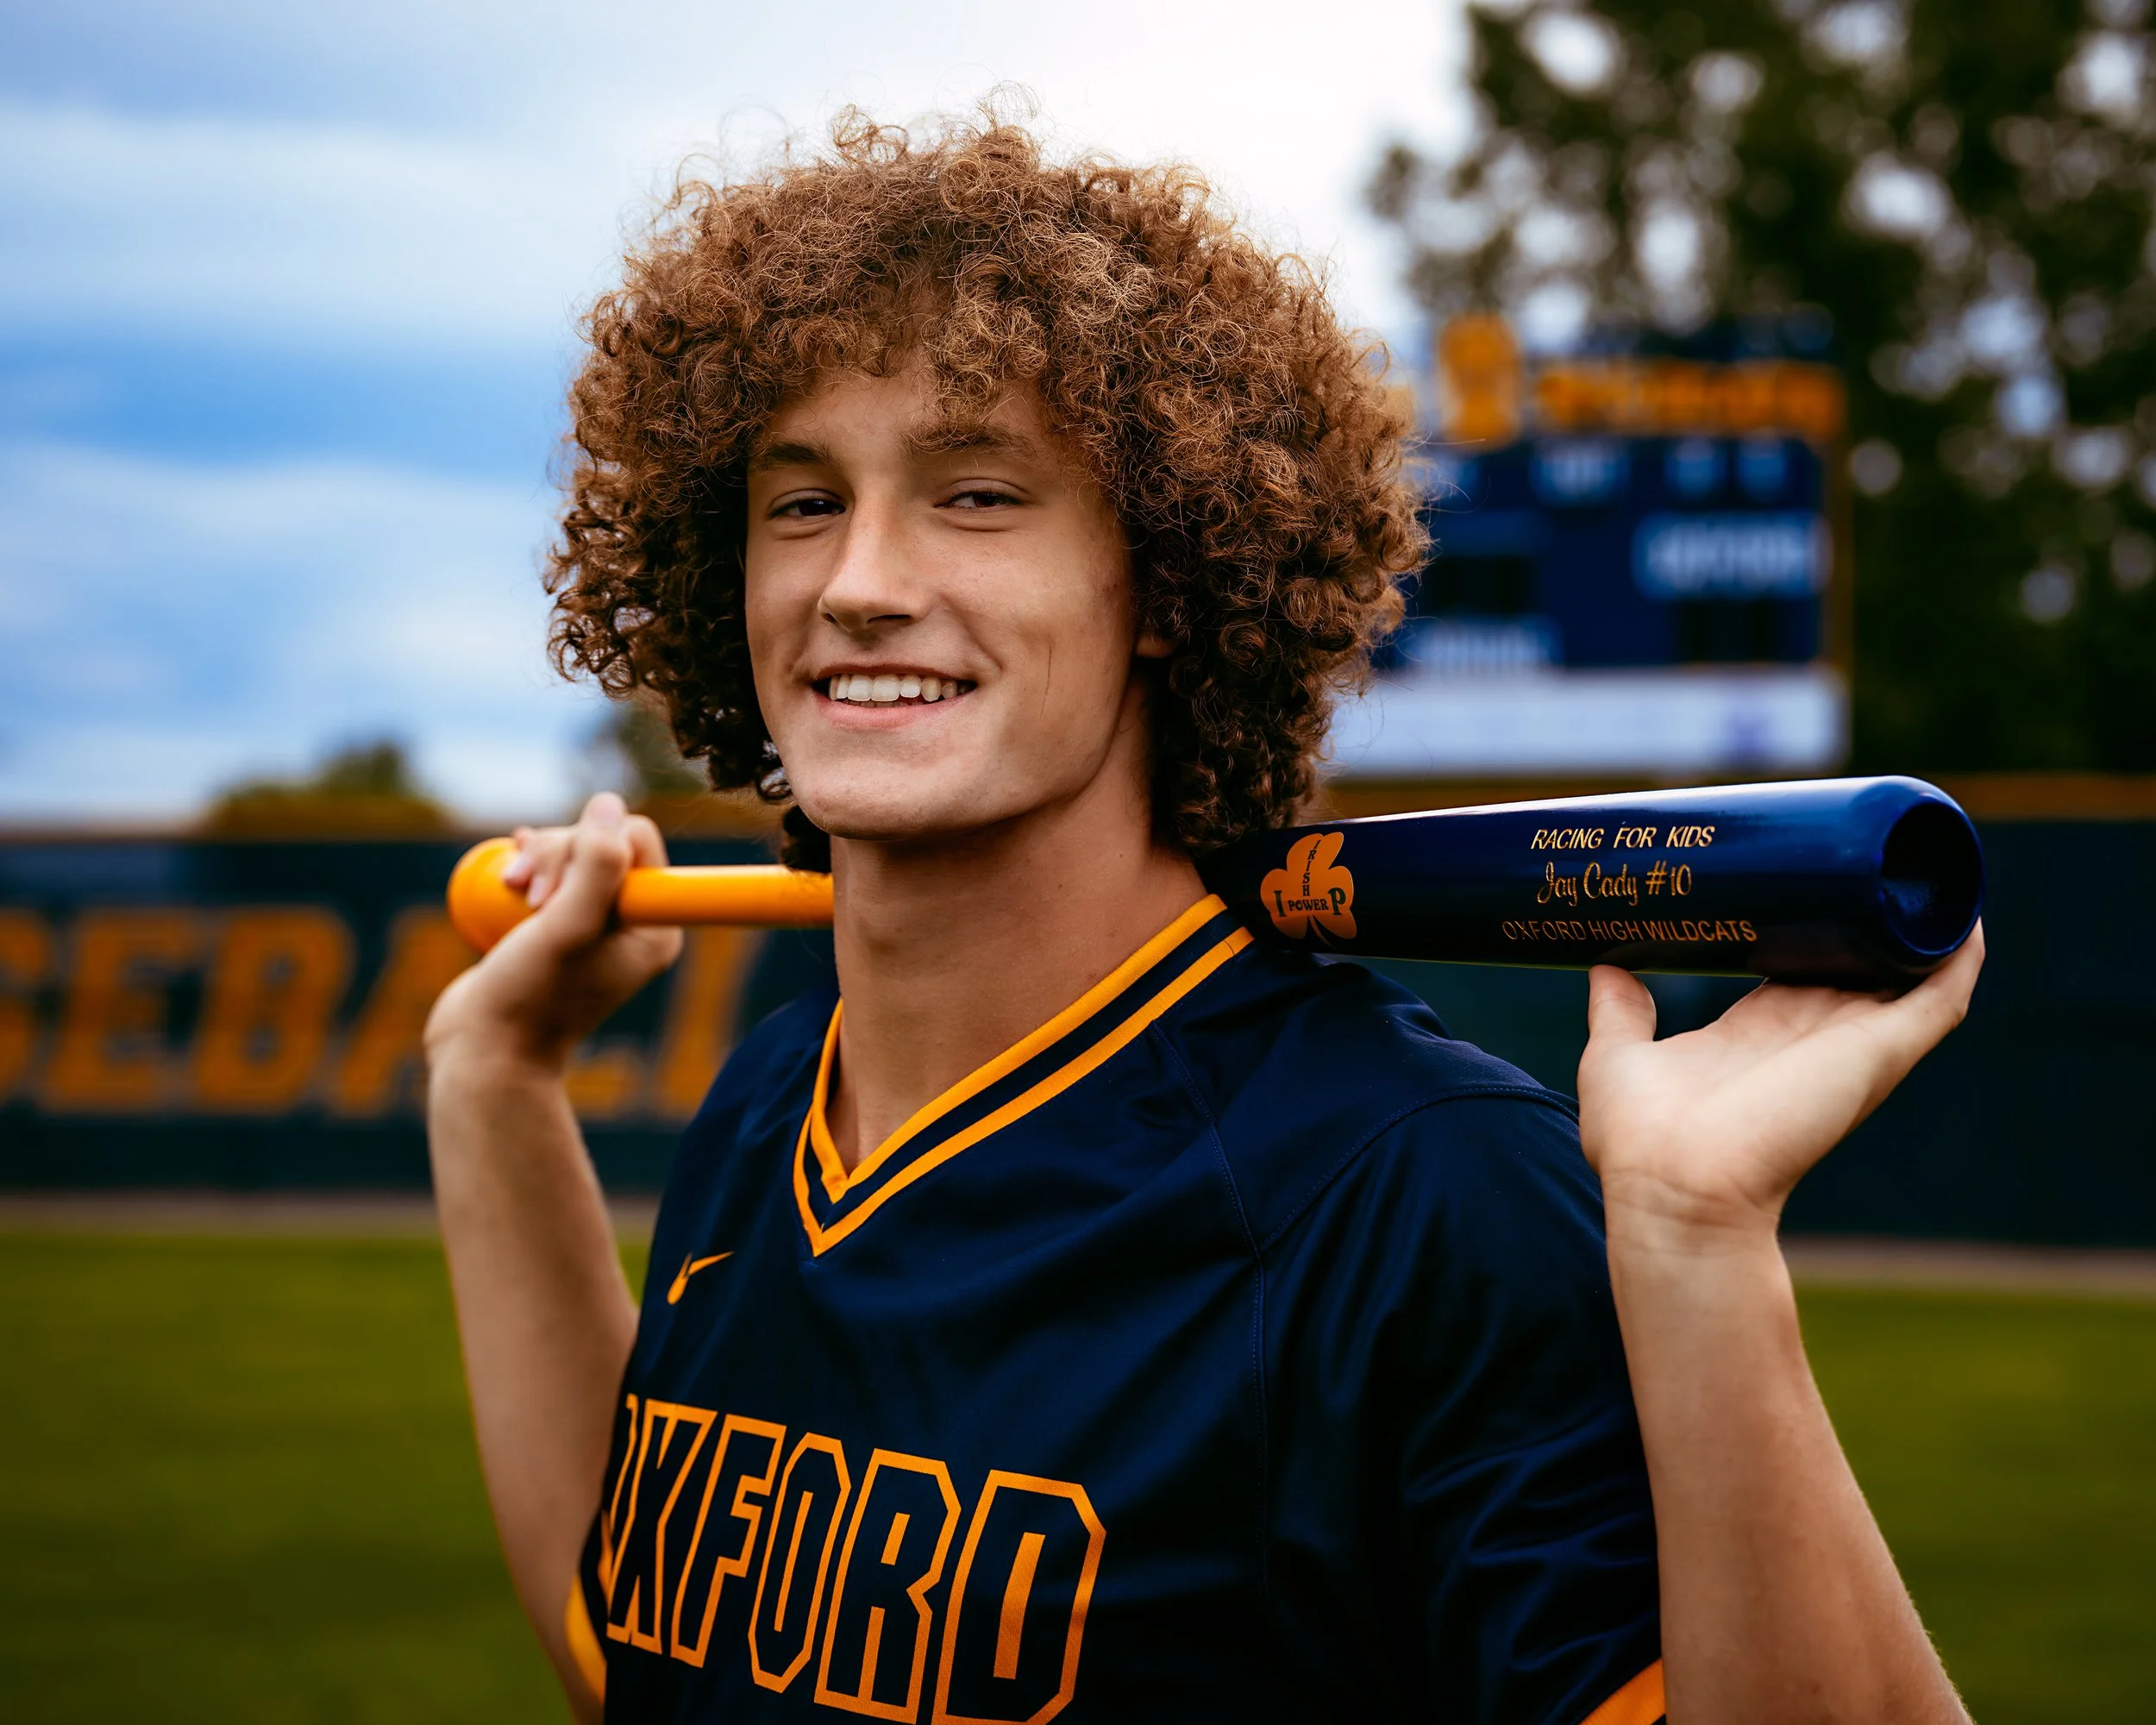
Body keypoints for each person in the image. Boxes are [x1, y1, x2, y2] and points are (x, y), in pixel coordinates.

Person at [424, 110, 1982, 1725]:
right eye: (801, 502)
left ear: (1167, 588)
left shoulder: (1423, 1198)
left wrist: (1695, 1248)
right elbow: (640, 1665)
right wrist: (491, 1082)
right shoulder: (767, 1113)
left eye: (976, 494)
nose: (858, 582)